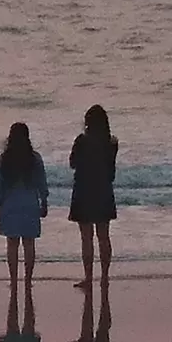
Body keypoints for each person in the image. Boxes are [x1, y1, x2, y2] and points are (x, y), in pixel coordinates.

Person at [0, 122, 49, 300]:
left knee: (12, 244)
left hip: (10, 203)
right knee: (29, 244)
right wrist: (44, 201)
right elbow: (41, 182)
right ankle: (28, 280)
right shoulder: (34, 158)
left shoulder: (5, 159)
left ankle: (13, 280)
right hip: (30, 203)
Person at [69, 104, 118, 288]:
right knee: (104, 237)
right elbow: (111, 170)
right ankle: (105, 276)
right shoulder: (111, 142)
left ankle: (88, 277)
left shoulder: (82, 141)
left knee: (86, 238)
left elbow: (72, 163)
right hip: (103, 190)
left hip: (84, 189)